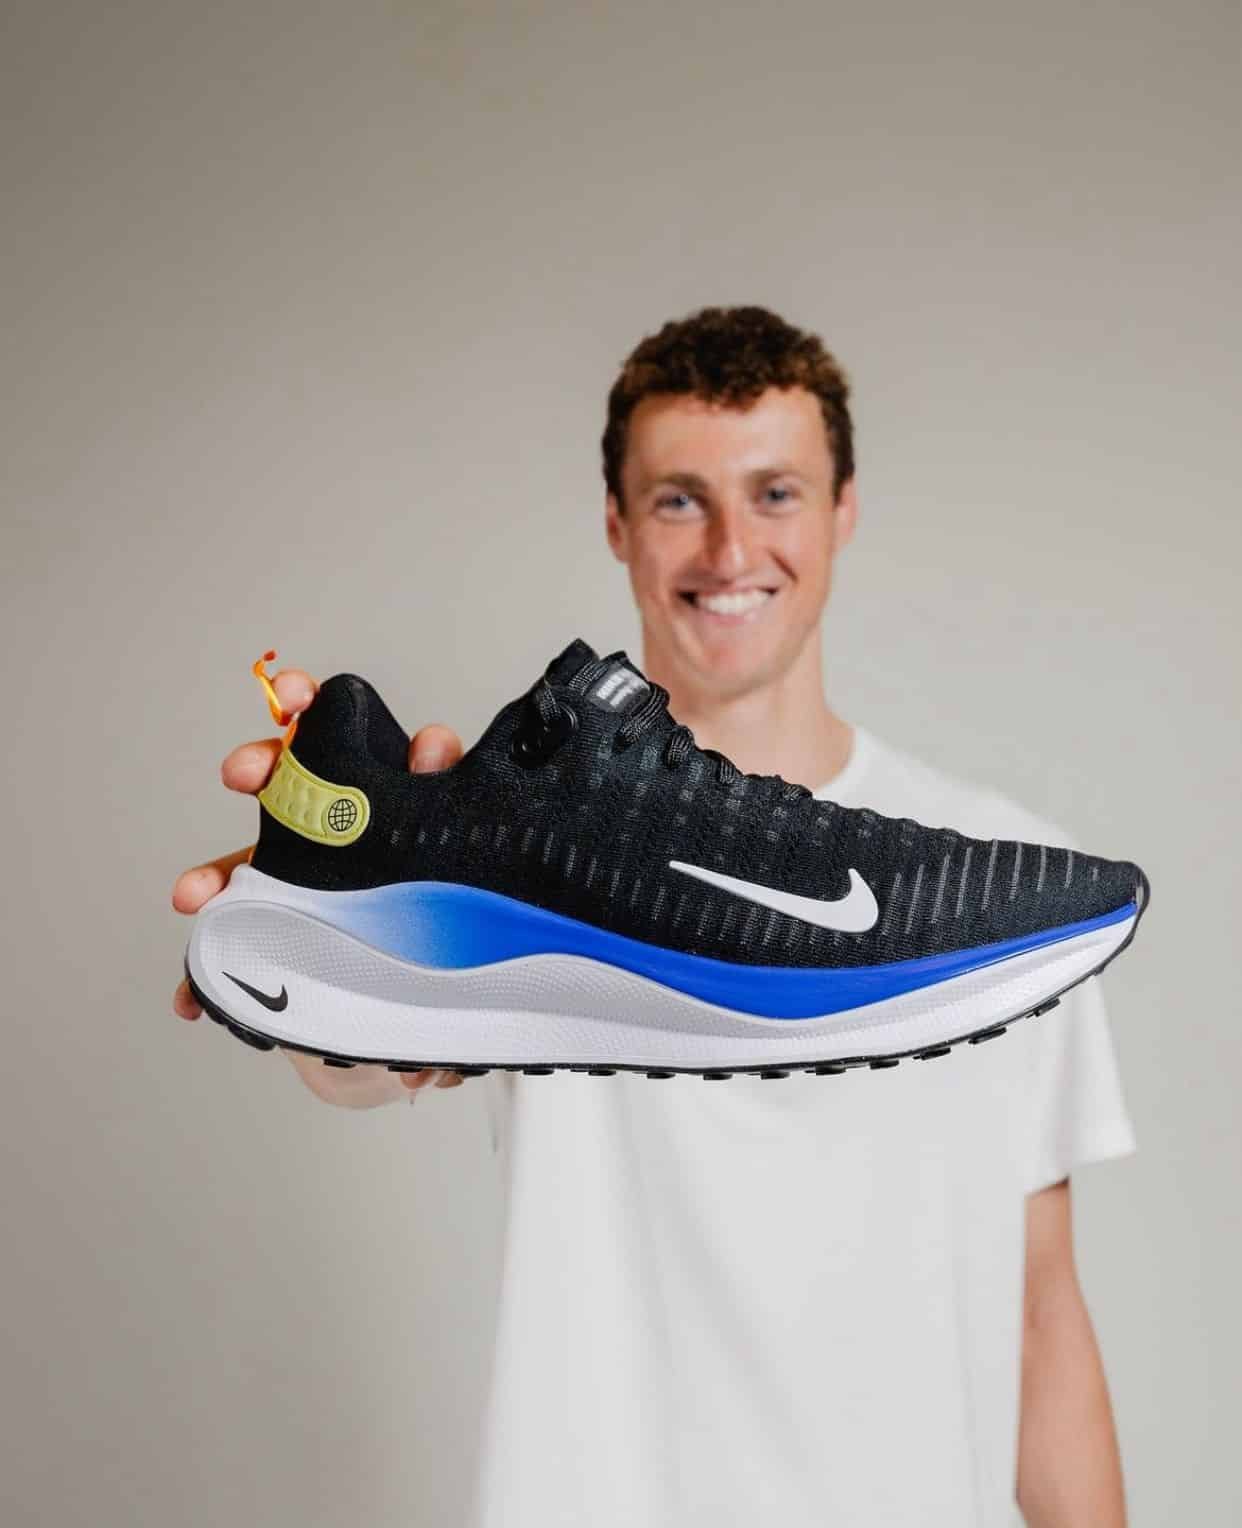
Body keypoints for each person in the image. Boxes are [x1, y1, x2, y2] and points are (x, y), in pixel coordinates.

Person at [171, 306, 1135, 1526]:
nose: (731, 548)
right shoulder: (531, 857)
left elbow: (1042, 1313)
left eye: (775, 493)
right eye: (680, 499)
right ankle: (347, 884)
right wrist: (338, 960)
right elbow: (372, 1064)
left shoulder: (1003, 893)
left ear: (842, 508)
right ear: (618, 525)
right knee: (440, 882)